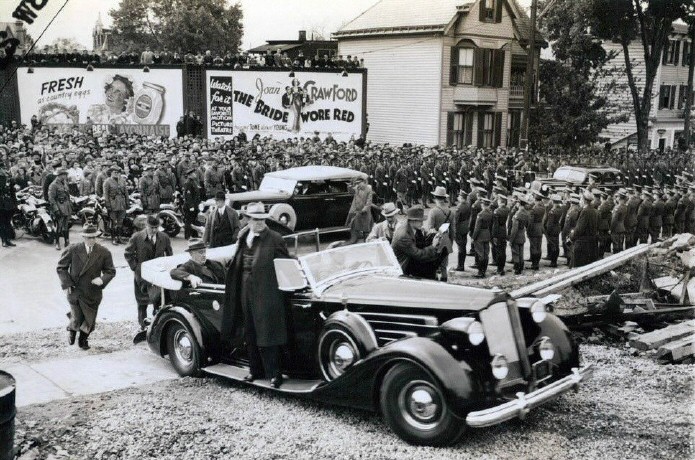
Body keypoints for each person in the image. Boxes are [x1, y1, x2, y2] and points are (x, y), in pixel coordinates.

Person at [221, 202, 291, 388]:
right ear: (248, 220)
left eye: (261, 219)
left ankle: (275, 374)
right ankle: (255, 370)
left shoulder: (275, 239)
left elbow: (286, 265)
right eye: (254, 219)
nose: (258, 223)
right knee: (250, 331)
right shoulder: (244, 236)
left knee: (268, 333)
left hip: (267, 292)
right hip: (245, 289)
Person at [56, 225, 116, 350]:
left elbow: (110, 271)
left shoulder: (104, 252)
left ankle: (83, 339)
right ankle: (72, 330)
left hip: (93, 291)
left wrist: (102, 279)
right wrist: (68, 283)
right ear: (83, 237)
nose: (91, 240)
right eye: (88, 238)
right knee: (77, 316)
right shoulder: (73, 249)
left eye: (94, 237)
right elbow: (61, 267)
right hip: (75, 289)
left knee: (90, 318)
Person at [124, 215, 173, 329]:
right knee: (142, 301)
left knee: (158, 300)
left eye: (156, 227)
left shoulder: (164, 237)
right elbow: (128, 253)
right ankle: (143, 325)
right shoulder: (137, 237)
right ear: (146, 226)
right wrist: (136, 268)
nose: (154, 230)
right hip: (142, 276)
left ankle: (156, 325)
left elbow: (169, 255)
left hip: (157, 275)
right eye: (152, 227)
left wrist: (166, 268)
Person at [391, 206, 444, 279]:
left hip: (410, 261)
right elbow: (418, 255)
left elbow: (420, 244)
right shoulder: (404, 235)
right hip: (403, 267)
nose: (422, 223)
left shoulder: (412, 228)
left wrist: (430, 236)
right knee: (433, 259)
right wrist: (433, 245)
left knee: (440, 253)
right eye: (420, 221)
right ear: (412, 221)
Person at [570, 191, 599, 267]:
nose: (580, 201)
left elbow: (579, 229)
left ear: (584, 200)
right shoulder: (593, 211)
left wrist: (571, 237)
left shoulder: (585, 211)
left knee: (577, 266)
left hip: (582, 243)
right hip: (590, 243)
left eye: (581, 199)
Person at [48, 168, 72, 250]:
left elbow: (67, 194)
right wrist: (56, 209)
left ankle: (67, 241)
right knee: (59, 225)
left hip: (66, 206)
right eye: (64, 175)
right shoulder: (53, 185)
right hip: (59, 206)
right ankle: (57, 242)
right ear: (59, 175)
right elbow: (51, 198)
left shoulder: (64, 183)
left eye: (65, 174)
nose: (65, 176)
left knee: (66, 225)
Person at [345, 176, 374, 244]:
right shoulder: (357, 188)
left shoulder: (368, 189)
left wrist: (365, 209)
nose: (358, 184)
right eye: (357, 183)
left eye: (359, 183)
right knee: (355, 226)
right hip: (357, 211)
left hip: (365, 212)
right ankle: (354, 240)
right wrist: (349, 187)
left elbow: (369, 201)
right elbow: (351, 192)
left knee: (366, 228)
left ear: (363, 182)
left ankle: (366, 241)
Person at [509, 196, 531, 275]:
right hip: (522, 234)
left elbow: (514, 229)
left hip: (517, 235)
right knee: (521, 253)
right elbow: (528, 224)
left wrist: (511, 240)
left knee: (515, 253)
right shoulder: (526, 213)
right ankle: (521, 267)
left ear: (519, 203)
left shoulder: (517, 214)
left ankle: (517, 269)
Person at [471, 198, 493, 278]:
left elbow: (477, 228)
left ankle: (480, 272)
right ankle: (484, 270)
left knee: (480, 254)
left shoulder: (480, 214)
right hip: (487, 233)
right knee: (486, 253)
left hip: (480, 235)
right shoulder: (490, 213)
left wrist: (473, 237)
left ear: (483, 205)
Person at [453, 190, 471, 271]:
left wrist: (454, 230)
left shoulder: (459, 207)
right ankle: (461, 265)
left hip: (459, 228)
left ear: (461, 197)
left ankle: (460, 266)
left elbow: (456, 220)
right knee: (463, 246)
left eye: (459, 196)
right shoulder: (468, 204)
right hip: (465, 227)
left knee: (460, 247)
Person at [182, 168, 202, 240]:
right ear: (190, 175)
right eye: (193, 173)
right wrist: (191, 206)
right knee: (188, 220)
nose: (195, 174)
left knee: (193, 220)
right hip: (189, 205)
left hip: (194, 204)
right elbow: (188, 196)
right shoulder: (188, 183)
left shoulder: (193, 182)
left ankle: (194, 234)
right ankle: (187, 236)